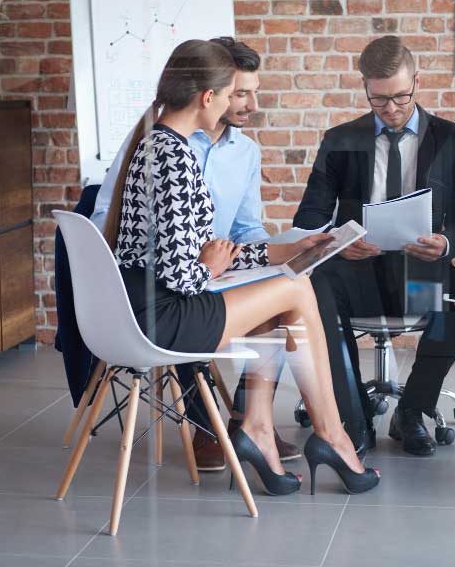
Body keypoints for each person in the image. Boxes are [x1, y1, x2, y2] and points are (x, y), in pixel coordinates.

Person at [106, 39, 379, 495]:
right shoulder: (175, 158)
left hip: (150, 305)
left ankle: (259, 429)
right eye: (233, 92)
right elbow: (184, 276)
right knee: (297, 291)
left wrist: (285, 252)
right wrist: (210, 267)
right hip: (165, 316)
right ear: (207, 97)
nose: (240, 103)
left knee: (286, 286)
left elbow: (208, 251)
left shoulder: (156, 144)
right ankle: (331, 436)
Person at [294, 35, 455, 457]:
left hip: (418, 273)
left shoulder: (451, 139)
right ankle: (352, 416)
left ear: (417, 80)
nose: (391, 109)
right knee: (317, 292)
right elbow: (308, 219)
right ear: (364, 87)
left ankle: (411, 411)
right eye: (379, 100)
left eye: (400, 96)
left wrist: (447, 243)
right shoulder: (340, 139)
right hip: (356, 271)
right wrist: (341, 243)